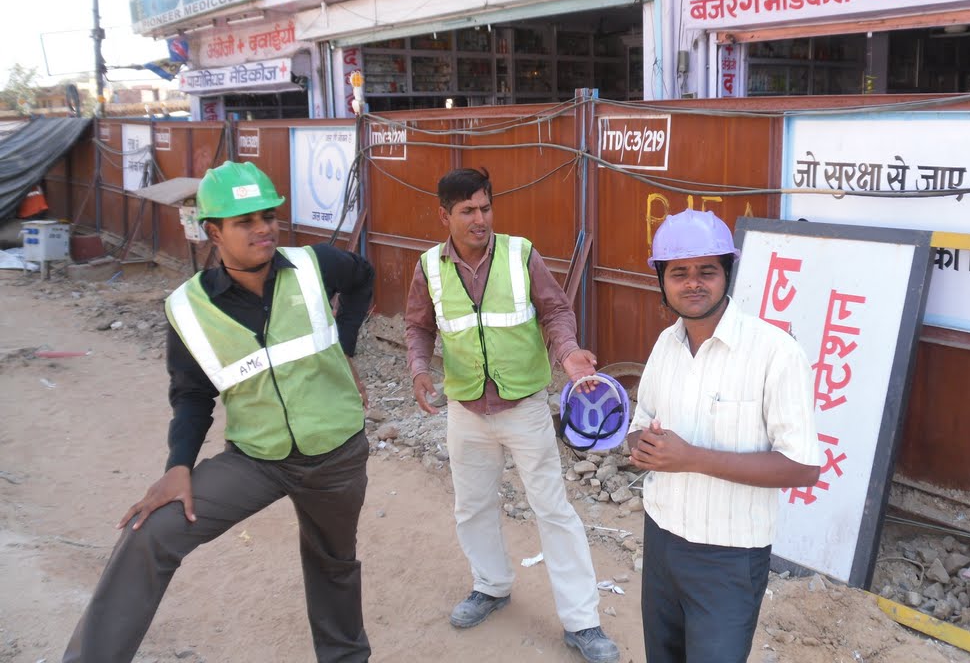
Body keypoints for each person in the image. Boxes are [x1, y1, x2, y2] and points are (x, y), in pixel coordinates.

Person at [63, 161, 376, 663]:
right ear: (214, 232)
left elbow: (362, 277)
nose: (263, 228)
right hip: (256, 459)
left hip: (337, 454)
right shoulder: (188, 308)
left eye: (268, 215)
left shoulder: (317, 265)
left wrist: (346, 347)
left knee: (333, 565)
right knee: (152, 533)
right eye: (245, 221)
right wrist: (178, 466)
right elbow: (191, 394)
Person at [404, 168, 620, 663]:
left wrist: (568, 355)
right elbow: (418, 326)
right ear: (445, 215)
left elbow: (556, 311)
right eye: (467, 211)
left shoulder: (521, 254)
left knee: (553, 510)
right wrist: (418, 368)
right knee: (472, 505)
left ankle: (583, 622)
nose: (480, 219)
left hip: (524, 408)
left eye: (485, 208)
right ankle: (491, 585)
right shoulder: (428, 268)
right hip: (466, 411)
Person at [627, 209, 821, 663]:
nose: (693, 283)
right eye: (679, 273)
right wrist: (643, 448)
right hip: (661, 542)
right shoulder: (665, 346)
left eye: (706, 271)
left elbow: (803, 466)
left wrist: (690, 457)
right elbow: (640, 426)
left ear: (727, 275)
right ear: (662, 281)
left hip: (729, 557)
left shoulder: (775, 353)